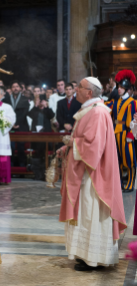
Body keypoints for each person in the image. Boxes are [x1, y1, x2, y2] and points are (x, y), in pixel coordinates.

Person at [57, 76, 127, 271]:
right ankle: (85, 255)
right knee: (85, 213)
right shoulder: (90, 110)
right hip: (85, 173)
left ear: (89, 92)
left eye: (79, 86)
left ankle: (94, 258)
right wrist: (68, 149)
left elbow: (94, 147)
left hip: (93, 175)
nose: (75, 89)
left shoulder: (97, 112)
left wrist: (72, 144)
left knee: (91, 212)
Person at [106, 70, 137, 192]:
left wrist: (130, 134)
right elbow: (105, 108)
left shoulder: (133, 103)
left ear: (127, 89)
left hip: (126, 134)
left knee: (129, 159)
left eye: (121, 87)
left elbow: (134, 120)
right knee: (116, 160)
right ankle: (118, 184)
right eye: (118, 87)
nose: (119, 89)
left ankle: (130, 183)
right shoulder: (114, 102)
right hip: (115, 133)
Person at [5, 80, 29, 166]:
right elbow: (5, 113)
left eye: (17, 86)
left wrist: (16, 122)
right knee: (9, 147)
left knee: (21, 147)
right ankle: (10, 166)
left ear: (20, 88)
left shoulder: (25, 99)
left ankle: (22, 165)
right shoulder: (6, 99)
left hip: (21, 125)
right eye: (13, 87)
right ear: (11, 89)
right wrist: (12, 123)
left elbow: (24, 113)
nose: (15, 88)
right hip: (9, 126)